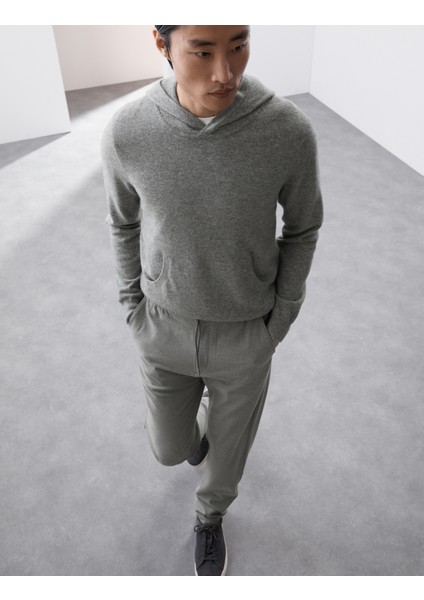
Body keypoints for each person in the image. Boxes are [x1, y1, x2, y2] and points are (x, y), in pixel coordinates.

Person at [101, 25, 323, 576]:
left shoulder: (286, 130)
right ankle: (195, 428)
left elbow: (303, 227)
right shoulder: (128, 131)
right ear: (162, 45)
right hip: (163, 323)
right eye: (202, 51)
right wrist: (132, 305)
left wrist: (279, 320)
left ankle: (210, 516)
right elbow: (122, 222)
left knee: (227, 456)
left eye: (238, 46)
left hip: (247, 330)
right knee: (170, 449)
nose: (225, 72)